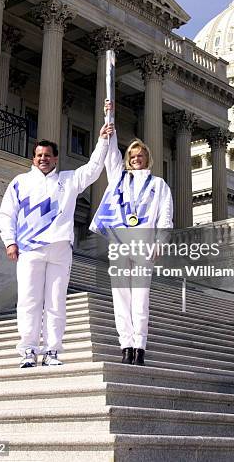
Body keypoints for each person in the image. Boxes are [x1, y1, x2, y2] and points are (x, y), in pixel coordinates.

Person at [0, 122, 114, 368]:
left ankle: (52, 351)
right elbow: (7, 214)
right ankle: (28, 350)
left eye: (48, 156)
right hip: (30, 248)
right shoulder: (20, 182)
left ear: (55, 159)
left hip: (60, 248)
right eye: (39, 155)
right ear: (33, 158)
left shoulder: (68, 180)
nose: (44, 159)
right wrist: (10, 241)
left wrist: (103, 140)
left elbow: (93, 169)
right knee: (29, 300)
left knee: (56, 301)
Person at [90, 103, 173, 366]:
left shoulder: (159, 185)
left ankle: (140, 346)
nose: (136, 158)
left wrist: (160, 242)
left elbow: (165, 217)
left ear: (147, 157)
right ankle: (125, 344)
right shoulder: (119, 179)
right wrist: (109, 114)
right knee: (120, 297)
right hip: (120, 243)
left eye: (140, 155)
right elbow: (111, 153)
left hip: (144, 244)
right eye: (132, 155)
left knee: (141, 299)